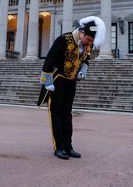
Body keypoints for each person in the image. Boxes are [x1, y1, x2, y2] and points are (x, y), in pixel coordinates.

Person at [37, 16, 105, 160]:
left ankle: (68, 146)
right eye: (89, 40)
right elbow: (49, 60)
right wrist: (47, 82)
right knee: (56, 114)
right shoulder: (64, 39)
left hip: (71, 82)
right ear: (82, 33)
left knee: (67, 114)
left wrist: (82, 70)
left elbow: (86, 59)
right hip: (57, 81)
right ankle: (59, 147)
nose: (90, 44)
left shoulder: (87, 44)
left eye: (92, 42)